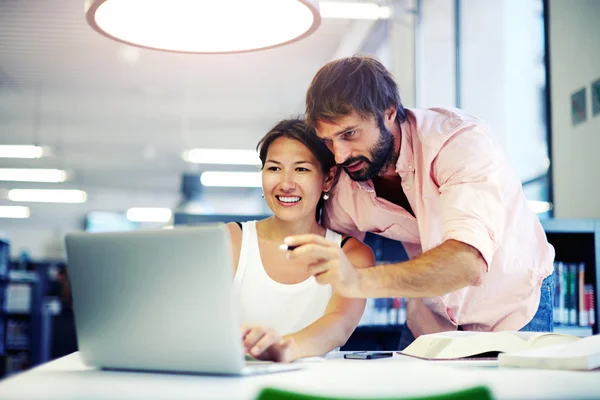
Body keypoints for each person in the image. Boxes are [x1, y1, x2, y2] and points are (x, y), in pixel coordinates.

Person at [282, 55, 555, 350]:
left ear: (388, 113)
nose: (340, 155)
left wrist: (359, 280)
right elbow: (327, 250)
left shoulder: (459, 142)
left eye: (349, 134)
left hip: (513, 307)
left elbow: (467, 263)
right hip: (431, 319)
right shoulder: (345, 183)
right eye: (329, 141)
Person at [227, 118, 375, 362]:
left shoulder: (351, 254)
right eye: (274, 168)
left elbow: (339, 324)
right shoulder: (232, 240)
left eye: (301, 169)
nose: (286, 184)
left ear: (327, 179)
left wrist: (284, 348)